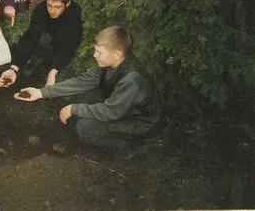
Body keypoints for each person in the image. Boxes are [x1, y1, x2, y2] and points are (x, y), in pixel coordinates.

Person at [14, 26, 162, 153]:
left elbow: (111, 112)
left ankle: (132, 146)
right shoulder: (113, 62)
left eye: (99, 53)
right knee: (84, 93)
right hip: (122, 106)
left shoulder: (131, 79)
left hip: (140, 122)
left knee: (85, 129)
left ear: (117, 54)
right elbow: (83, 81)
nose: (94, 55)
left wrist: (74, 109)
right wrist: (40, 92)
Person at [1, 0, 83, 87]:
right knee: (42, 39)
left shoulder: (74, 13)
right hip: (45, 40)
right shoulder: (41, 9)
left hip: (61, 42)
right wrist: (14, 67)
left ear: (67, 4)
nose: (52, 11)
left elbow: (69, 45)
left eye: (57, 7)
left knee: (55, 44)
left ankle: (47, 68)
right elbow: (30, 36)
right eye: (49, 5)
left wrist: (54, 71)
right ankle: (34, 62)